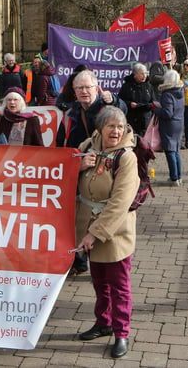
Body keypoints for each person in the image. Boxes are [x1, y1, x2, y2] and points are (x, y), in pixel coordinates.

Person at [75, 106, 139, 359]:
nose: (116, 131)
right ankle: (103, 323)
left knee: (119, 285)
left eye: (120, 126)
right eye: (111, 126)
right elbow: (62, 174)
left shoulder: (127, 157)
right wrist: (78, 167)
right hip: (87, 225)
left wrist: (94, 233)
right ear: (100, 127)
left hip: (114, 232)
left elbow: (120, 202)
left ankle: (121, 332)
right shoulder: (86, 146)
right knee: (99, 281)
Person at [55, 70, 127, 149]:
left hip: (101, 158)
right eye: (80, 88)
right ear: (74, 91)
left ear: (96, 89)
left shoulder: (106, 109)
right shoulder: (70, 114)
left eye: (88, 87)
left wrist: (113, 100)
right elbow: (60, 142)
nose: (84, 91)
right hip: (75, 158)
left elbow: (123, 110)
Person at [154, 69, 185, 186]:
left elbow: (167, 113)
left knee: (170, 151)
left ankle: (174, 177)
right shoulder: (180, 91)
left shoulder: (167, 94)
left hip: (169, 125)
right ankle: (179, 176)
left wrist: (156, 109)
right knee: (176, 151)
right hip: (179, 123)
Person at [118, 62, 155, 135]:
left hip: (145, 121)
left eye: (145, 73)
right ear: (135, 75)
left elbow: (153, 102)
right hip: (131, 120)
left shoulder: (149, 86)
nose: (144, 76)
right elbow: (120, 101)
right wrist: (129, 104)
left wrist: (150, 106)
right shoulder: (127, 86)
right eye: (142, 74)